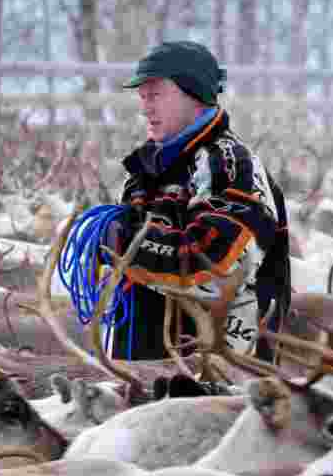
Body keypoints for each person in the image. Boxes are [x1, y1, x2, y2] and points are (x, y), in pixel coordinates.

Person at [102, 41, 291, 362]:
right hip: (149, 366)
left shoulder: (231, 166)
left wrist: (123, 243)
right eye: (142, 96)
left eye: (156, 94)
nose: (145, 107)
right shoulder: (147, 171)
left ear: (195, 94)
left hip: (220, 374)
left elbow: (219, 266)